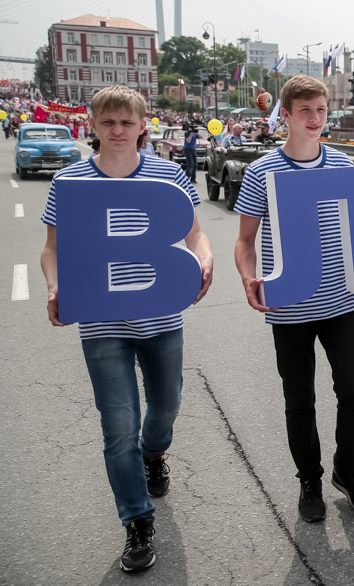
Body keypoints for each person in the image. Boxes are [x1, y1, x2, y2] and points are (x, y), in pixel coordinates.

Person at [40, 86, 214, 573]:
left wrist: (205, 257)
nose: (118, 131)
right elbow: (51, 249)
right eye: (107, 122)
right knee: (118, 428)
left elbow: (195, 233)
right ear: (91, 126)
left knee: (166, 408)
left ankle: (155, 453)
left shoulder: (168, 175)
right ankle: (137, 523)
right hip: (101, 322)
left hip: (162, 316)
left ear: (143, 125)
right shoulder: (69, 181)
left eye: (126, 122)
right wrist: (54, 285)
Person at [234, 75, 354, 524]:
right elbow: (245, 240)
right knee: (299, 399)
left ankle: (347, 470)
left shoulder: (343, 166)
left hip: (339, 302)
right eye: (304, 110)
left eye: (321, 110)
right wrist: (249, 277)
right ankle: (309, 478)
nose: (314, 118)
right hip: (288, 305)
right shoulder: (262, 172)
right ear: (284, 115)